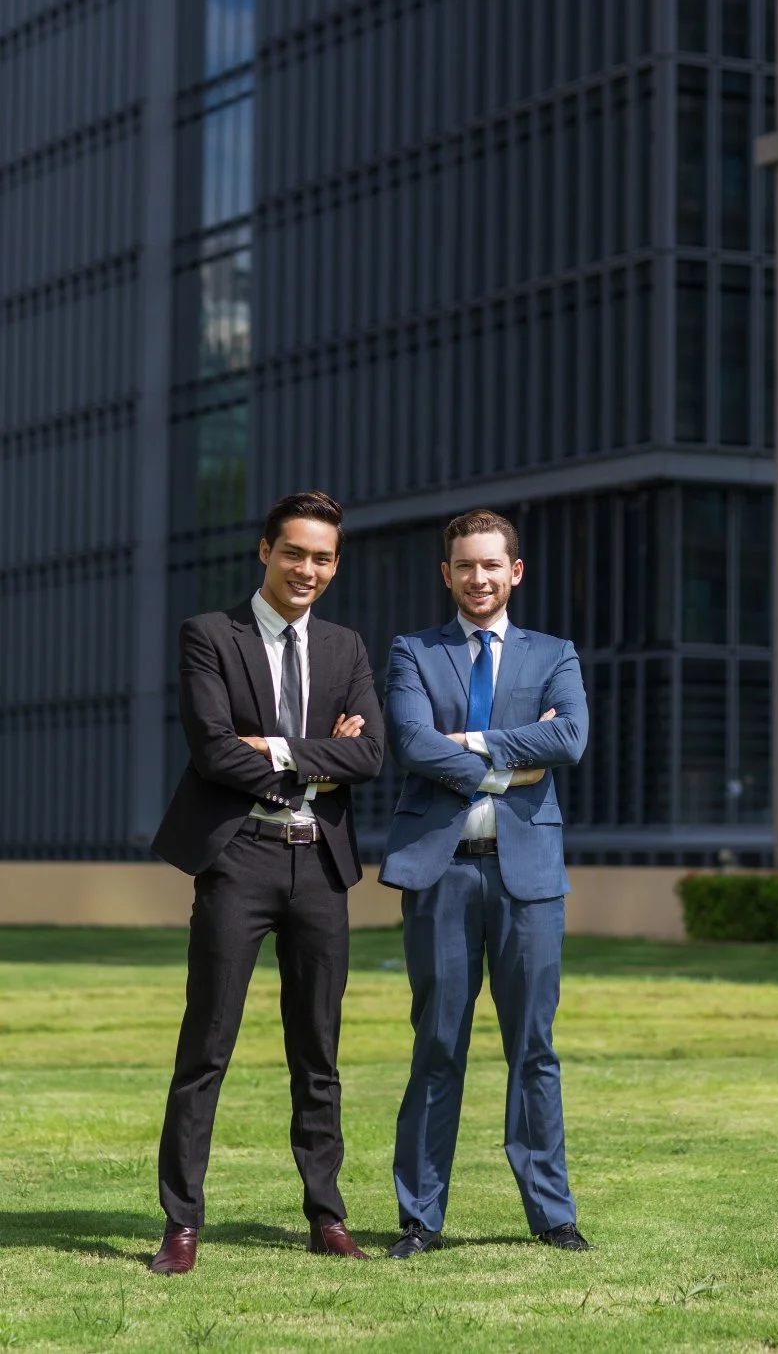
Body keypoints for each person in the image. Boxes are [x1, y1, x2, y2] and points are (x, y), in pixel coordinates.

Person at [148, 491, 383, 1274]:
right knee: (206, 1047)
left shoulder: (348, 649)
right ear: (265, 552)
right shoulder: (211, 635)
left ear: (334, 565)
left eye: (322, 558)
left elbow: (372, 755)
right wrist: (318, 753)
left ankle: (327, 1215)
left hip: (320, 865)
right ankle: (182, 1225)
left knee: (317, 1052)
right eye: (295, 553)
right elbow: (214, 750)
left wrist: (278, 750)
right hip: (239, 858)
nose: (307, 569)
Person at [380, 508, 590, 1257]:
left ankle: (552, 1213)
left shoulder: (553, 655)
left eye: (491, 565)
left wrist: (466, 743)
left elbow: (571, 737)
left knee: (533, 1047)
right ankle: (420, 1219)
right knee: (437, 1045)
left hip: (527, 878)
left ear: (515, 572)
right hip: (440, 876)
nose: (478, 579)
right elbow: (409, 740)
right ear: (448, 574)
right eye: (465, 566)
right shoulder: (413, 652)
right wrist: (509, 764)